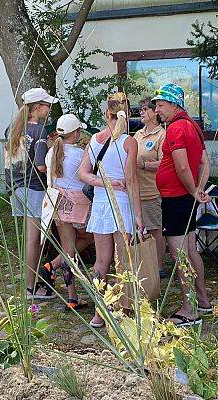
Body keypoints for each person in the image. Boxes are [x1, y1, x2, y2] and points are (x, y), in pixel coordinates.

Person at [79, 92, 144, 328]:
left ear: (106, 113)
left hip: (100, 204)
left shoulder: (94, 140)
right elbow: (132, 180)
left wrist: (104, 182)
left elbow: (83, 173)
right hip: (122, 204)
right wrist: (138, 214)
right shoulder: (129, 142)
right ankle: (121, 309)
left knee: (100, 262)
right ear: (127, 114)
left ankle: (99, 313)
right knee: (122, 262)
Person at [153, 83, 211, 327]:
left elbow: (183, 166)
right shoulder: (193, 126)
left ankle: (189, 309)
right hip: (185, 196)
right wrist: (198, 189)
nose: (157, 110)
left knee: (178, 254)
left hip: (176, 198)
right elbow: (205, 163)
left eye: (161, 104)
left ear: (174, 104)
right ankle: (203, 301)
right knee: (190, 249)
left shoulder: (176, 128)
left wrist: (192, 190)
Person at [4, 87, 57, 300]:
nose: (49, 109)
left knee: (28, 237)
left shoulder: (13, 128)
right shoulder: (40, 130)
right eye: (46, 106)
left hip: (14, 186)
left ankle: (31, 283)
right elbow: (41, 166)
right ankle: (31, 288)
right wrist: (51, 148)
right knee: (34, 239)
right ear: (37, 107)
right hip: (34, 187)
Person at [42, 114, 93, 309]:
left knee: (68, 250)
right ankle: (53, 265)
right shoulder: (81, 154)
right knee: (90, 238)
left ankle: (71, 296)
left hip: (57, 202)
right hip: (78, 202)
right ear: (77, 132)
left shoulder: (52, 152)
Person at [134, 97, 167, 278]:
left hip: (152, 190)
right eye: (140, 109)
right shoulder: (137, 135)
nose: (141, 112)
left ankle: (159, 266)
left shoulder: (162, 135)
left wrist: (144, 166)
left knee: (155, 230)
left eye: (145, 109)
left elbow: (165, 163)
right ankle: (143, 264)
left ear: (155, 112)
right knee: (138, 230)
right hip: (136, 191)